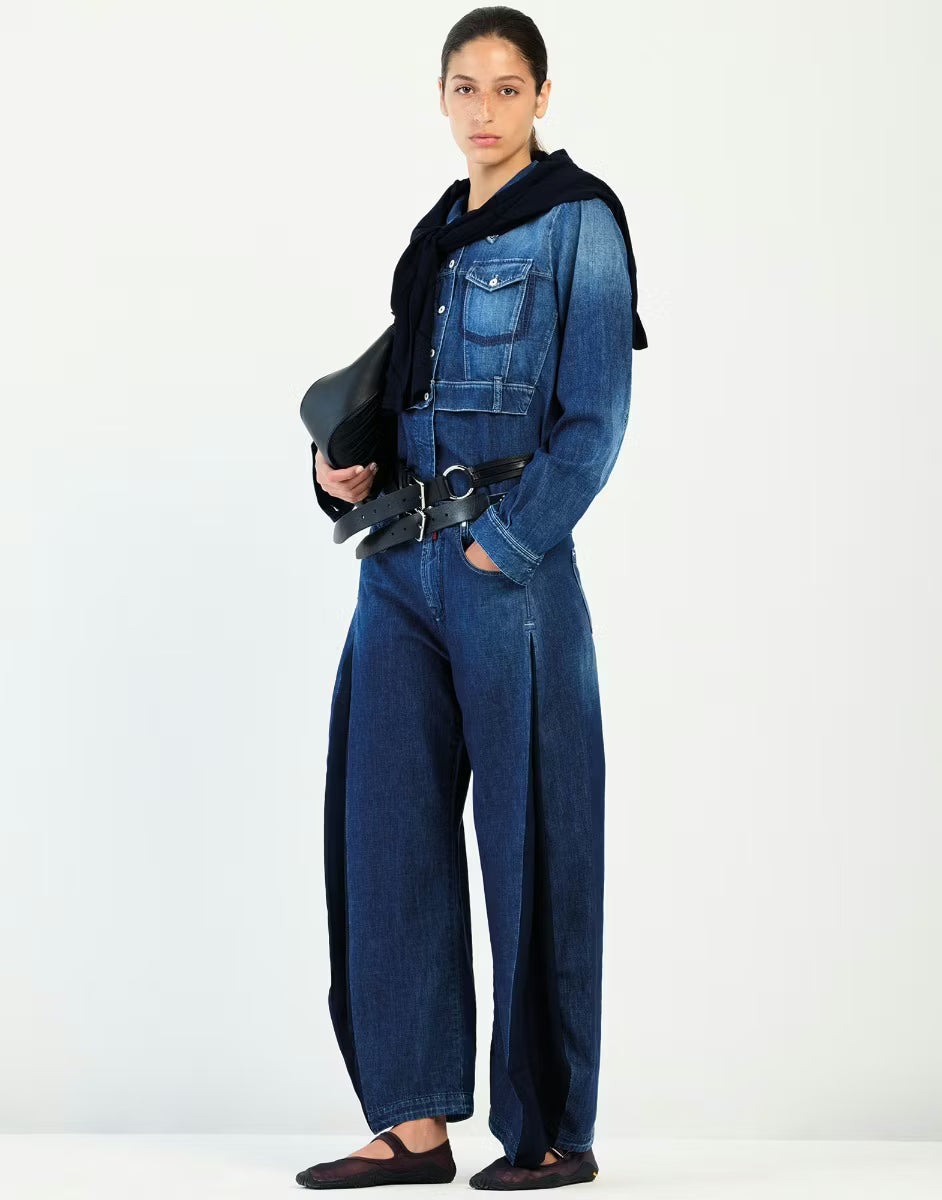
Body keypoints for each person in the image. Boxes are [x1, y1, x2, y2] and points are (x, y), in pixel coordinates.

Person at [296, 6, 646, 1191]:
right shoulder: (438, 233)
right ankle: (412, 1125)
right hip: (397, 569)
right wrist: (342, 470)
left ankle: (548, 1131)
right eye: (464, 87)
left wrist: (508, 541)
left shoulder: (580, 221)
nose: (483, 109)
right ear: (441, 98)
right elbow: (405, 391)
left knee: (536, 843)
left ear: (542, 96)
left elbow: (593, 422)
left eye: (506, 88)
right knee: (385, 834)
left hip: (508, 573)